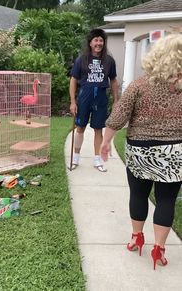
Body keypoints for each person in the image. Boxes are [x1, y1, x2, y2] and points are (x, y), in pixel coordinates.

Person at [100, 33, 182, 270]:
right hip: (174, 151)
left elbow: (117, 117)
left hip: (140, 150)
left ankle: (137, 238)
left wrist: (106, 143)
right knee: (166, 200)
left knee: (138, 195)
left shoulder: (139, 84)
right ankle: (159, 249)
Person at [69, 28, 119, 171]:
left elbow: (113, 80)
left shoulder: (109, 61)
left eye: (101, 40)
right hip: (84, 97)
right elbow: (73, 80)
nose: (99, 43)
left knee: (98, 130)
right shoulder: (82, 59)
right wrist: (73, 101)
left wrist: (116, 100)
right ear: (90, 43)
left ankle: (97, 160)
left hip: (101, 99)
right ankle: (76, 158)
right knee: (80, 128)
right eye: (96, 40)